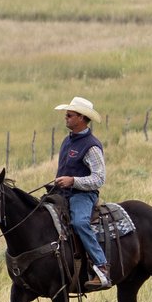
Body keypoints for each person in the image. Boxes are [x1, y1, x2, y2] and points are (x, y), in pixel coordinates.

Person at [50, 96, 111, 289]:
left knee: (79, 222)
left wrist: (73, 181)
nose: (65, 117)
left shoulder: (91, 146)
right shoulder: (66, 141)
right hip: (63, 193)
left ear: (82, 118)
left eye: (70, 114)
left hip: (83, 195)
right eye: (66, 114)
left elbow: (99, 178)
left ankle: (102, 267)